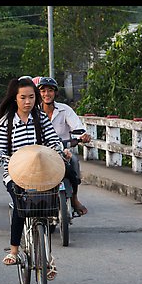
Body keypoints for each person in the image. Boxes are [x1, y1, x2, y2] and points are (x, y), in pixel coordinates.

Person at [0, 77, 68, 281]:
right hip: (15, 173)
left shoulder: (40, 118)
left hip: (41, 172)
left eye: (31, 97)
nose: (27, 101)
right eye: (23, 97)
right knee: (20, 206)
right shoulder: (6, 121)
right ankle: (14, 251)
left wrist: (61, 150)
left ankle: (48, 258)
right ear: (15, 98)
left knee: (47, 209)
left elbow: (53, 140)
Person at [37, 76, 91, 215]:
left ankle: (74, 198)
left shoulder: (64, 110)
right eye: (43, 91)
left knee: (73, 161)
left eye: (50, 90)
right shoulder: (34, 111)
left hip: (62, 150)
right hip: (40, 152)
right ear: (39, 93)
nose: (46, 94)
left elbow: (78, 127)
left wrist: (83, 136)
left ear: (55, 93)